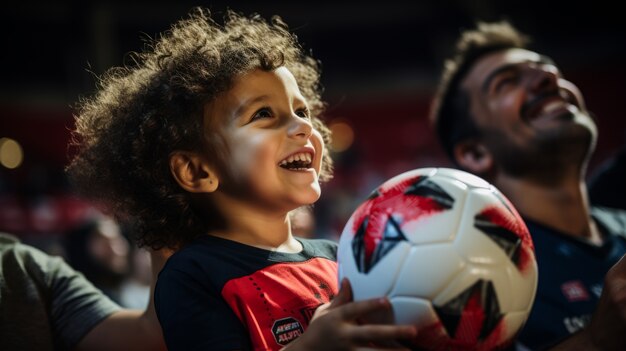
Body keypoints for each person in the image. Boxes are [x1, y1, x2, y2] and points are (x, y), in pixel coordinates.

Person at [65, 7, 417, 351]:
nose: (305, 126)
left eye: (301, 110)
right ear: (197, 171)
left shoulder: (339, 257)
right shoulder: (192, 275)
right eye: (264, 114)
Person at [429, 20, 626, 350]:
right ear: (476, 153)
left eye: (548, 69)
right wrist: (596, 340)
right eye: (507, 82)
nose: (548, 77)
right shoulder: (468, 278)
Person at [0, 231, 168, 351]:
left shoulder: (30, 267)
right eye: (103, 241)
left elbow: (150, 333)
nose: (118, 249)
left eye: (118, 239)